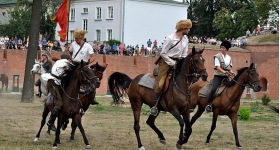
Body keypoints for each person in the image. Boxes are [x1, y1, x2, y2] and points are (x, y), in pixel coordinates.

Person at [150, 19, 192, 116]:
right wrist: (172, 63)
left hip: (178, 62)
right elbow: (163, 53)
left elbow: (184, 53)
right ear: (183, 28)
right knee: (161, 84)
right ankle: (155, 105)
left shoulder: (185, 39)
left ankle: (187, 104)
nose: (189, 30)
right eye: (188, 28)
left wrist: (182, 63)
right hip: (166, 62)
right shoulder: (170, 38)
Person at [69, 29, 99, 105]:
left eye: (77, 38)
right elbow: (70, 52)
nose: (75, 40)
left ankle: (93, 97)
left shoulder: (88, 46)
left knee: (92, 78)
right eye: (75, 38)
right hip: (74, 64)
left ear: (81, 38)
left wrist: (88, 63)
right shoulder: (73, 44)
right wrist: (71, 59)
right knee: (64, 73)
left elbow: (93, 57)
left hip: (84, 65)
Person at [205, 40, 234, 112]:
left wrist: (232, 72)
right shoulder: (217, 56)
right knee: (214, 88)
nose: (222, 49)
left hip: (226, 77)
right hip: (218, 76)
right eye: (221, 47)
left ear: (227, 49)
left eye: (223, 48)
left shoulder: (229, 58)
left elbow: (229, 68)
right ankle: (208, 104)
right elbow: (217, 67)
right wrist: (225, 72)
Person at [46, 52, 72, 131]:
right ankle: (50, 122)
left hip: (56, 82)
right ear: (67, 59)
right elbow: (70, 68)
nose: (70, 60)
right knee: (59, 103)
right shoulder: (65, 62)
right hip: (53, 83)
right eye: (70, 59)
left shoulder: (59, 62)